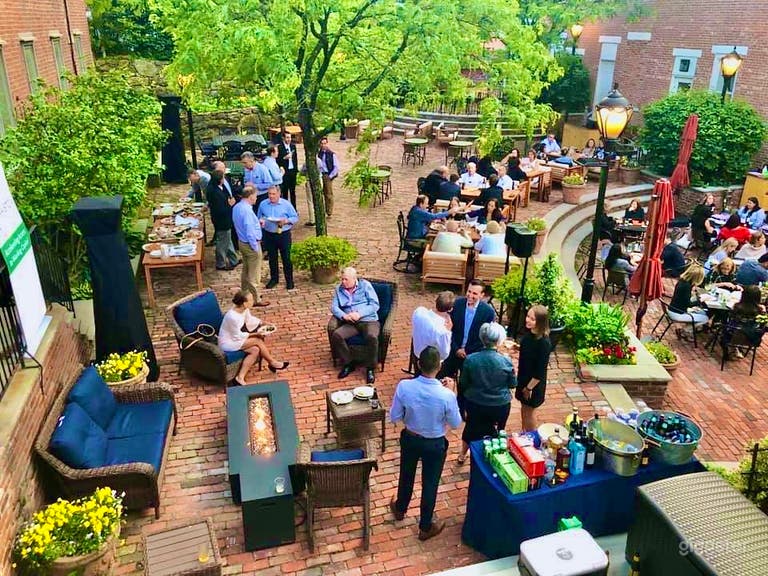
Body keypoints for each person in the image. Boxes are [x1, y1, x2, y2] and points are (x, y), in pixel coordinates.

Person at [389, 346, 462, 542]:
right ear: (439, 366)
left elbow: (394, 415)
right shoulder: (446, 395)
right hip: (435, 443)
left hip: (410, 438)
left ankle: (400, 508)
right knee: (430, 483)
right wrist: (451, 394)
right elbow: (455, 423)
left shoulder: (404, 387)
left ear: (419, 364)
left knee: (406, 474)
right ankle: (425, 525)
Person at [457, 322, 517, 464]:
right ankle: (495, 457)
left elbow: (463, 383)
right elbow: (512, 384)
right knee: (498, 431)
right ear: (498, 340)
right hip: (500, 405)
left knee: (470, 427)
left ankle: (462, 454)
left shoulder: (471, 360)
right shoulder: (506, 361)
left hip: (476, 403)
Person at [218, 290, 289, 385]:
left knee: (255, 350)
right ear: (244, 303)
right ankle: (272, 362)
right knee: (257, 340)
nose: (253, 301)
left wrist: (263, 323)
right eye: (250, 300)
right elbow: (237, 336)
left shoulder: (244, 309)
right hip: (228, 343)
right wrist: (255, 334)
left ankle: (240, 378)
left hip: (236, 339)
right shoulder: (232, 317)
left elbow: (250, 320)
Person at [330, 267, 380, 384]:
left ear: (354, 279)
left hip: (368, 320)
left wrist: (359, 313)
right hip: (351, 323)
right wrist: (344, 316)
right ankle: (348, 363)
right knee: (337, 335)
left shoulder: (365, 285)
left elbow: (374, 305)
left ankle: (371, 368)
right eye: (342, 279)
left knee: (372, 337)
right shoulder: (339, 289)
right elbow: (334, 307)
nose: (343, 282)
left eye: (346, 280)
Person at [441, 280, 496, 378]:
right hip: (452, 350)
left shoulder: (488, 312)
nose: (470, 295)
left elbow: (485, 337)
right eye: (469, 291)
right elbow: (449, 328)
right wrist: (456, 349)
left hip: (472, 355)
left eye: (474, 293)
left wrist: (467, 351)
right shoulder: (457, 304)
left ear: (482, 295)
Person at [515, 305, 552, 432]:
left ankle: (531, 436)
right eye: (528, 316)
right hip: (523, 378)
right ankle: (524, 432)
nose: (528, 320)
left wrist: (528, 388)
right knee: (523, 407)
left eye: (532, 319)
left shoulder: (544, 343)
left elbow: (540, 371)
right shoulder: (529, 334)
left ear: (540, 322)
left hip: (533, 384)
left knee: (530, 411)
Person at [233, 184, 270, 307]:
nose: (256, 198)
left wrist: (256, 223)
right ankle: (255, 299)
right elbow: (249, 231)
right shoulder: (247, 211)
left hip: (242, 242)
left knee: (246, 270)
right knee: (254, 275)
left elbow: (244, 225)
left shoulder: (237, 207)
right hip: (250, 244)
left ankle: (244, 293)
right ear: (249, 196)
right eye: (255, 196)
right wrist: (255, 246)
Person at [258, 186, 299, 290]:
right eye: (269, 194)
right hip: (269, 234)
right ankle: (274, 279)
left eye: (273, 194)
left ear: (279, 194)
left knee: (286, 258)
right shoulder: (263, 204)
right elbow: (259, 216)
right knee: (272, 258)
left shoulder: (286, 204)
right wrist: (261, 221)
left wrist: (286, 221)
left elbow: (295, 217)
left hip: (283, 234)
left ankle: (289, 281)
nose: (271, 196)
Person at [206, 170, 240, 271]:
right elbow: (220, 209)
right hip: (222, 220)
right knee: (222, 243)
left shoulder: (217, 187)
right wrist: (230, 205)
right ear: (220, 180)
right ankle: (220, 263)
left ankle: (234, 260)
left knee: (227, 240)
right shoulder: (214, 192)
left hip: (224, 219)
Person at [412, 291, 455, 362]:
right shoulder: (443, 331)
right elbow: (444, 354)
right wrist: (448, 331)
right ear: (450, 309)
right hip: (432, 363)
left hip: (416, 354)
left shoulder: (419, 311)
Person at [669, 264, 709, 340]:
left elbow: (684, 300)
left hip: (674, 308)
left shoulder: (682, 281)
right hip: (677, 313)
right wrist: (700, 300)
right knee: (705, 318)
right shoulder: (686, 287)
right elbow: (688, 304)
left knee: (702, 312)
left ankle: (688, 331)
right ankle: (685, 330)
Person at [726, 285, 766, 358]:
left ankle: (734, 347)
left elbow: (731, 319)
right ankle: (736, 348)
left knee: (729, 325)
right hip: (752, 338)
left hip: (733, 335)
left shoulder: (737, 307)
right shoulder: (761, 310)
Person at [317, 137, 339, 218]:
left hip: (327, 175)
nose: (323, 145)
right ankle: (321, 209)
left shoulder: (331, 154)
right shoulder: (318, 153)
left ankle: (329, 211)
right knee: (320, 193)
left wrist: (330, 176)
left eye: (325, 143)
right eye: (322, 144)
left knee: (328, 194)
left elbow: (336, 167)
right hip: (320, 174)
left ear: (327, 143)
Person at [277, 131, 299, 208]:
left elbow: (295, 159)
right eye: (287, 137)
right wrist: (284, 158)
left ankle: (294, 208)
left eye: (290, 137)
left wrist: (296, 170)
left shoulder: (293, 146)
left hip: (292, 171)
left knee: (293, 191)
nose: (289, 139)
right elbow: (278, 161)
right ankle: (285, 208)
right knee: (285, 191)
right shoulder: (279, 148)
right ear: (283, 138)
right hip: (285, 172)